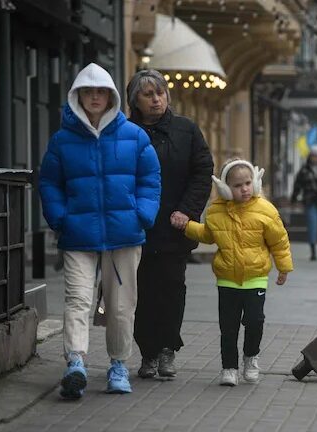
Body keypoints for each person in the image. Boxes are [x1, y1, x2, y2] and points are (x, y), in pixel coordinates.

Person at [39, 63, 161, 399]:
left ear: (111, 96)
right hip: (78, 234)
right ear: (78, 96)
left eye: (101, 91)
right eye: (88, 92)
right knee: (78, 299)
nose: (95, 97)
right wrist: (60, 217)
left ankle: (118, 365)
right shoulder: (62, 140)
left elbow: (150, 179)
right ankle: (75, 361)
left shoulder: (134, 136)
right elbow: (49, 182)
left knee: (119, 307)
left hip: (124, 234)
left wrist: (143, 215)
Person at [126, 69, 214, 380]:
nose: (156, 99)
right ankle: (147, 352)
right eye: (148, 94)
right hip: (136, 226)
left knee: (172, 288)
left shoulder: (186, 129)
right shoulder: (125, 131)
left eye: (160, 92)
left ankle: (167, 350)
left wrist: (187, 211)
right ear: (135, 100)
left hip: (175, 226)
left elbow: (203, 172)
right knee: (141, 292)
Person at [182, 159, 293, 386]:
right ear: (224, 188)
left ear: (255, 182)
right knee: (228, 326)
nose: (244, 189)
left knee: (255, 320)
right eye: (237, 185)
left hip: (256, 277)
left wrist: (284, 267)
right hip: (227, 279)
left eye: (248, 183)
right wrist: (187, 226)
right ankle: (229, 368)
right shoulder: (215, 211)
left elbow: (279, 241)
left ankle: (251, 358)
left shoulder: (265, 209)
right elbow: (208, 235)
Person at [291, 146, 317, 260]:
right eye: (312, 156)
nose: (314, 158)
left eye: (316, 156)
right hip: (309, 201)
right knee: (312, 225)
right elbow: (298, 185)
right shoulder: (304, 170)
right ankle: (313, 251)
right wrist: (294, 197)